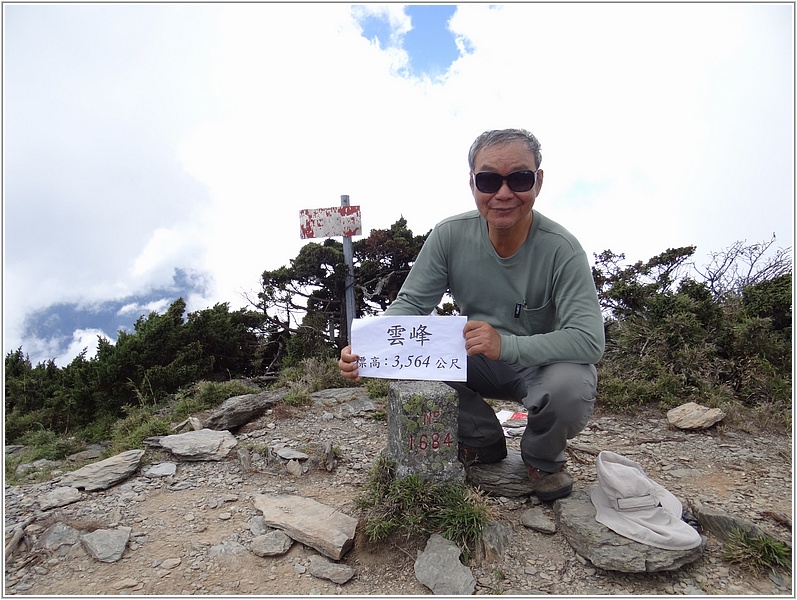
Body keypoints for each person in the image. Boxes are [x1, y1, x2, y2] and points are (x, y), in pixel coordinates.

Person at [338, 128, 605, 501]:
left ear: (538, 181)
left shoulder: (562, 249)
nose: (504, 193)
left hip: (541, 364)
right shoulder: (449, 235)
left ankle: (543, 459)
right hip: (476, 358)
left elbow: (589, 340)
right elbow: (412, 306)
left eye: (520, 178)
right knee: (411, 359)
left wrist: (506, 345)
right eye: (489, 179)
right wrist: (367, 348)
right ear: (473, 183)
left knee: (569, 388)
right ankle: (483, 441)